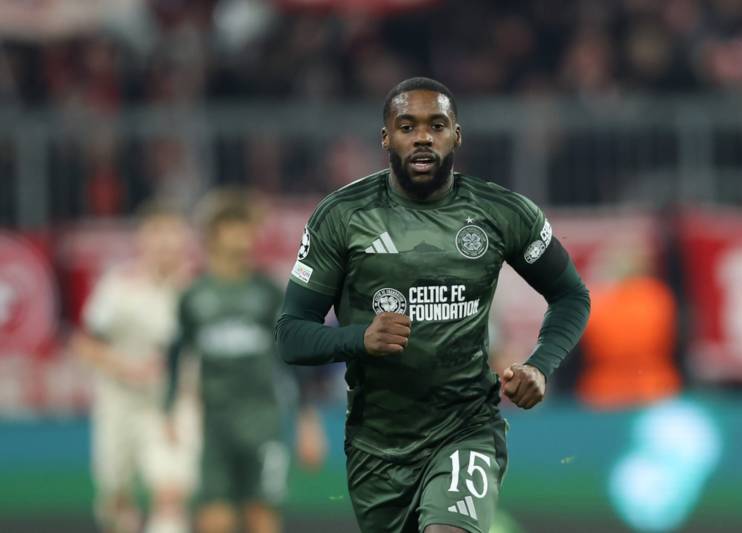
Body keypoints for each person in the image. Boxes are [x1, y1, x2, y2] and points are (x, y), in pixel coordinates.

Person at [275, 77, 591, 533]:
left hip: (467, 428)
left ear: (456, 135)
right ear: (386, 137)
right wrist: (360, 339)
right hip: (376, 447)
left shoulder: (502, 212)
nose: (422, 137)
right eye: (407, 126)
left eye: (436, 125)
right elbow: (290, 334)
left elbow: (571, 294)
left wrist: (540, 365)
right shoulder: (342, 217)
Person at [164, 197, 326, 533]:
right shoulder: (193, 295)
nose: (246, 237)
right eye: (236, 227)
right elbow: (177, 354)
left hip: (263, 422)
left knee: (262, 516)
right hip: (215, 424)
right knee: (214, 520)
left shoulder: (268, 292)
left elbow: (294, 357)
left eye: (249, 229)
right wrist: (170, 410)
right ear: (214, 234)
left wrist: (307, 420)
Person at [72, 202, 198, 533]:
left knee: (169, 494)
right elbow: (85, 343)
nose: (165, 242)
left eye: (172, 232)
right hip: (121, 402)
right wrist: (126, 367)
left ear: (186, 238)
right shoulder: (119, 286)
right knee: (116, 497)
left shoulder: (197, 290)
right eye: (157, 232)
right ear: (142, 238)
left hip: (172, 405)